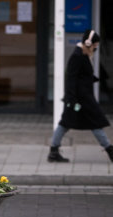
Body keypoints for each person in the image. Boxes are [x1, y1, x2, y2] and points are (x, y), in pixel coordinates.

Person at [49, 29, 113, 163]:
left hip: (83, 98)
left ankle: (53, 152)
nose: (96, 48)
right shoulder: (77, 56)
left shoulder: (83, 55)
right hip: (79, 100)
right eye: (95, 45)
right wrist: (71, 100)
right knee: (86, 123)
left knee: (70, 124)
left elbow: (81, 76)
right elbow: (71, 79)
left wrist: (92, 79)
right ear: (88, 43)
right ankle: (109, 150)